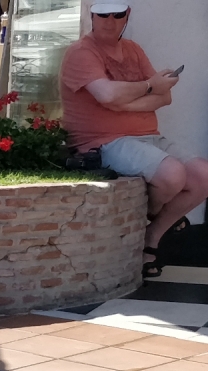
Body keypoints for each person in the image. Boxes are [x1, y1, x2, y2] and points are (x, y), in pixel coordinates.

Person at [59, 1, 208, 279]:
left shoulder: (133, 50)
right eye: (103, 14)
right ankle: (152, 223)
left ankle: (152, 233)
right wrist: (148, 86)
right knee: (173, 175)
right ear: (92, 15)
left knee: (202, 175)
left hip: (149, 136)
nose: (110, 20)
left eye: (118, 14)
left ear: (127, 15)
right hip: (103, 141)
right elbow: (108, 95)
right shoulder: (81, 51)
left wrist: (122, 103)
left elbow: (165, 97)